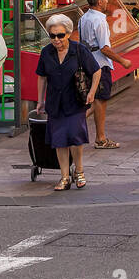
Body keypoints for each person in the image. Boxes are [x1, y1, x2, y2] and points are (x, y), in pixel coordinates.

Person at [35, 13, 102, 190]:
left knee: (75, 137)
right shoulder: (46, 52)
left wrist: (92, 93)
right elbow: (42, 77)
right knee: (59, 140)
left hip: (75, 101)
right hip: (55, 102)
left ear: (68, 34)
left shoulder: (79, 50)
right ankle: (65, 176)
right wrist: (40, 100)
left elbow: (96, 71)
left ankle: (79, 171)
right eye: (52, 36)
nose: (56, 40)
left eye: (60, 35)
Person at [78, 0, 133, 150]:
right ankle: (100, 138)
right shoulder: (99, 21)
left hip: (87, 62)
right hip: (99, 64)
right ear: (99, 2)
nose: (107, 2)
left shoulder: (84, 18)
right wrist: (122, 61)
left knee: (93, 99)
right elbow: (104, 48)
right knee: (101, 100)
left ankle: (78, 120)